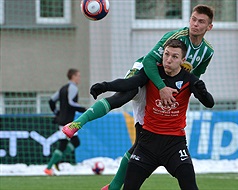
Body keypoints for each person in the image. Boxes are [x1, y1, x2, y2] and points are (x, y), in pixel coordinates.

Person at [63, 4, 214, 189]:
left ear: (209, 27)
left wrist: (182, 92)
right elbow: (150, 60)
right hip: (146, 71)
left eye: (201, 22)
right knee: (126, 93)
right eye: (193, 19)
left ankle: (113, 187)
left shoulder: (207, 51)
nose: (195, 24)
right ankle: (78, 122)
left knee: (141, 141)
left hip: (164, 88)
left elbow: (194, 76)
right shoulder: (175, 37)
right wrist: (161, 86)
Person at [87, 39, 214, 189]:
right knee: (129, 187)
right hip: (147, 143)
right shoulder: (152, 73)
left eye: (174, 57)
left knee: (190, 187)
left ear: (182, 60)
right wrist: (105, 86)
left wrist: (203, 93)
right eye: (166, 54)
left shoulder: (189, 79)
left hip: (174, 144)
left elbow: (209, 103)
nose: (168, 60)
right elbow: (129, 83)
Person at [44, 68, 86, 176]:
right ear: (73, 76)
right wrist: (84, 109)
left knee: (74, 142)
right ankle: (49, 167)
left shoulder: (63, 88)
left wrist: (57, 112)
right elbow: (70, 103)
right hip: (67, 121)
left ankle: (56, 161)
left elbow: (51, 101)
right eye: (78, 76)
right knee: (64, 144)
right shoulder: (73, 88)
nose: (79, 78)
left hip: (63, 120)